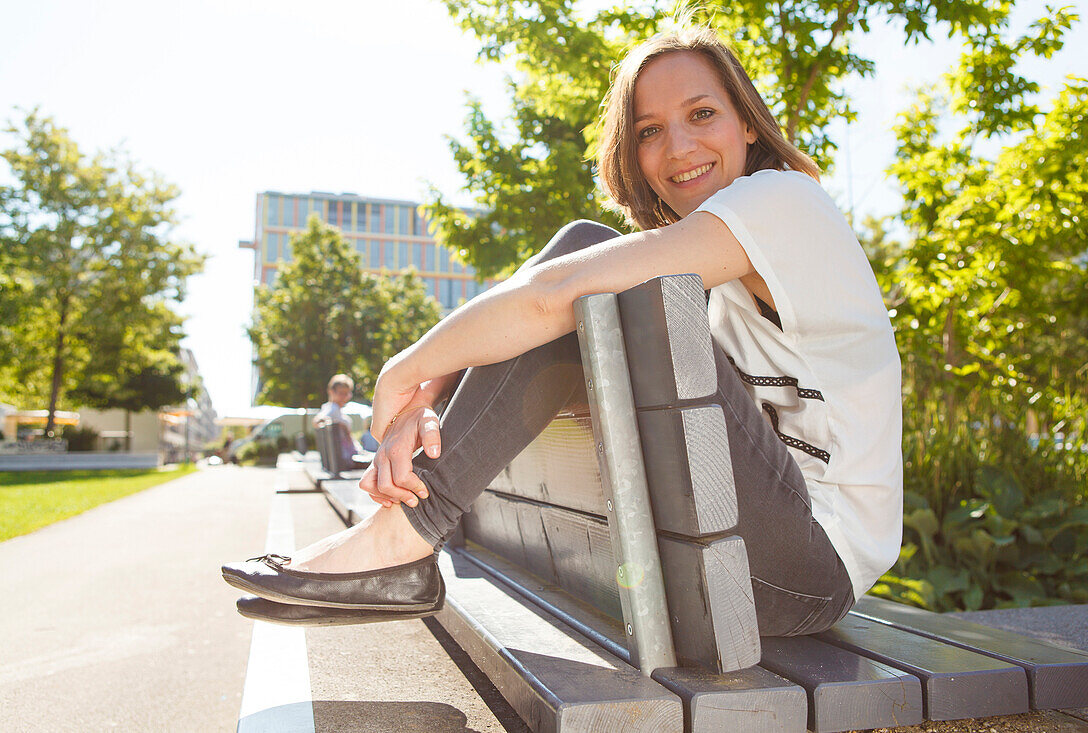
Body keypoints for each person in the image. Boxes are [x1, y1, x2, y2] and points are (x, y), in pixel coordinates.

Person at [224, 24, 902, 637]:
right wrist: (430, 392)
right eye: (649, 131)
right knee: (587, 266)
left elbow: (550, 295)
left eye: (702, 114)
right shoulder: (701, 253)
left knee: (586, 272)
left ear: (748, 125)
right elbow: (545, 294)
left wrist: (404, 371)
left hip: (810, 567)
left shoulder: (783, 202)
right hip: (724, 544)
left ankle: (399, 541)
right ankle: (397, 541)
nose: (680, 147)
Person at [314, 373, 374, 471]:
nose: (345, 397)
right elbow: (317, 420)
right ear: (331, 392)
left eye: (347, 393)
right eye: (341, 393)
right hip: (347, 459)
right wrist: (337, 424)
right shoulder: (332, 409)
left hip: (348, 457)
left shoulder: (334, 409)